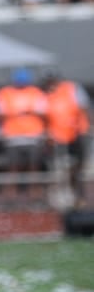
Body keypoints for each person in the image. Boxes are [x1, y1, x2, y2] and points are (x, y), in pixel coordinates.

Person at [0, 68, 47, 200]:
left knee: (34, 166)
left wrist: (27, 112)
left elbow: (43, 111)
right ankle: (11, 194)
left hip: (33, 136)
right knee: (12, 167)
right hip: (12, 137)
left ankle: (34, 193)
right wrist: (16, 113)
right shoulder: (5, 93)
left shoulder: (35, 92)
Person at [44, 72, 90, 208]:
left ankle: (79, 197)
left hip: (77, 136)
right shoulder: (48, 95)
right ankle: (65, 198)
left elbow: (84, 108)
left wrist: (83, 127)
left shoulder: (72, 89)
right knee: (60, 169)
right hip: (58, 139)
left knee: (77, 169)